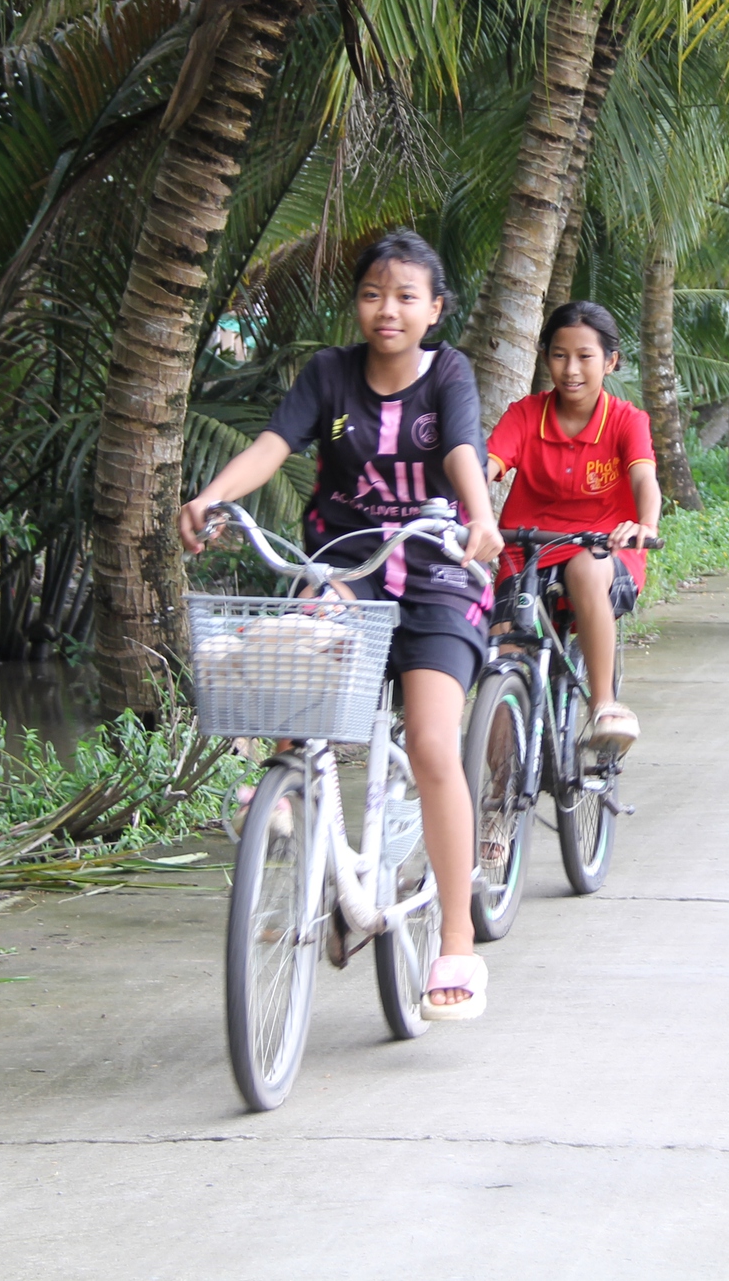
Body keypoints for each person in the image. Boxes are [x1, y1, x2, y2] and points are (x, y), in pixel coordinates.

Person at [178, 229, 503, 1022]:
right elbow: (271, 444)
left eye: (404, 296)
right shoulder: (327, 374)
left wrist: (482, 518)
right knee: (289, 674)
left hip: (434, 576)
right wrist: (215, 494)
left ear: (434, 309)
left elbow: (461, 449)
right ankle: (294, 814)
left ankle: (456, 938)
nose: (385, 309)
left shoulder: (448, 373)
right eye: (371, 294)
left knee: (430, 743)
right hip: (345, 573)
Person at [483, 301, 662, 756]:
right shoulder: (525, 414)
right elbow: (486, 465)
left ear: (610, 361)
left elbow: (644, 479)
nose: (571, 369)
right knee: (505, 658)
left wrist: (644, 523)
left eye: (585, 356)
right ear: (546, 358)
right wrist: (463, 506)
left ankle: (604, 705)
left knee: (585, 569)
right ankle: (498, 800)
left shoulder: (626, 420)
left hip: (605, 549)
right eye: (560, 355)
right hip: (526, 551)